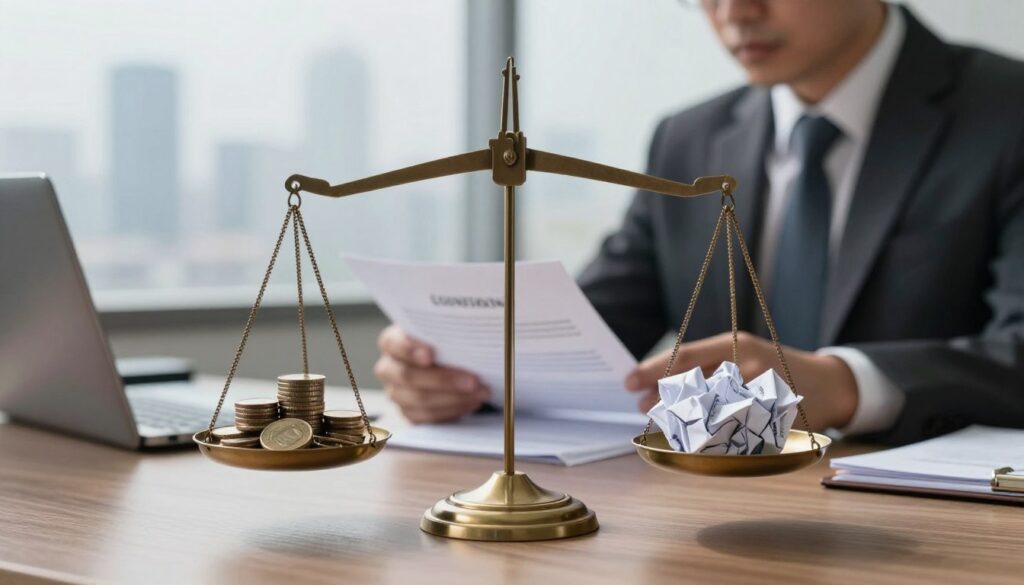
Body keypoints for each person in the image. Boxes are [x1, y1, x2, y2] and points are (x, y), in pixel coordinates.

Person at [374, 0, 1024, 444]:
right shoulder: (690, 139)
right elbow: (594, 329)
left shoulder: (1005, 113)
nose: (732, 12)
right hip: (716, 517)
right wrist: (461, 370)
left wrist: (844, 384)